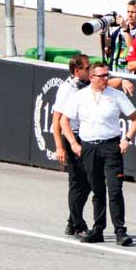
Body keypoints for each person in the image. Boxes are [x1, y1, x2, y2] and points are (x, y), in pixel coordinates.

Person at [58, 62, 136, 246]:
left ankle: (120, 231)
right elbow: (64, 120)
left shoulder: (116, 95)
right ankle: (98, 229)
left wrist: (127, 139)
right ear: (92, 78)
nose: (105, 79)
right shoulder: (80, 96)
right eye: (102, 76)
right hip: (89, 146)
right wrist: (73, 143)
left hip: (111, 146)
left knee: (115, 189)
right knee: (97, 190)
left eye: (107, 75)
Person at [52, 55, 93, 234]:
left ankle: (72, 220)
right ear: (77, 71)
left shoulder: (86, 85)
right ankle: (78, 225)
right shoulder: (66, 89)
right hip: (72, 138)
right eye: (87, 68)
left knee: (88, 183)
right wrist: (59, 146)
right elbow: (56, 119)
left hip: (86, 136)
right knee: (77, 183)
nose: (90, 70)